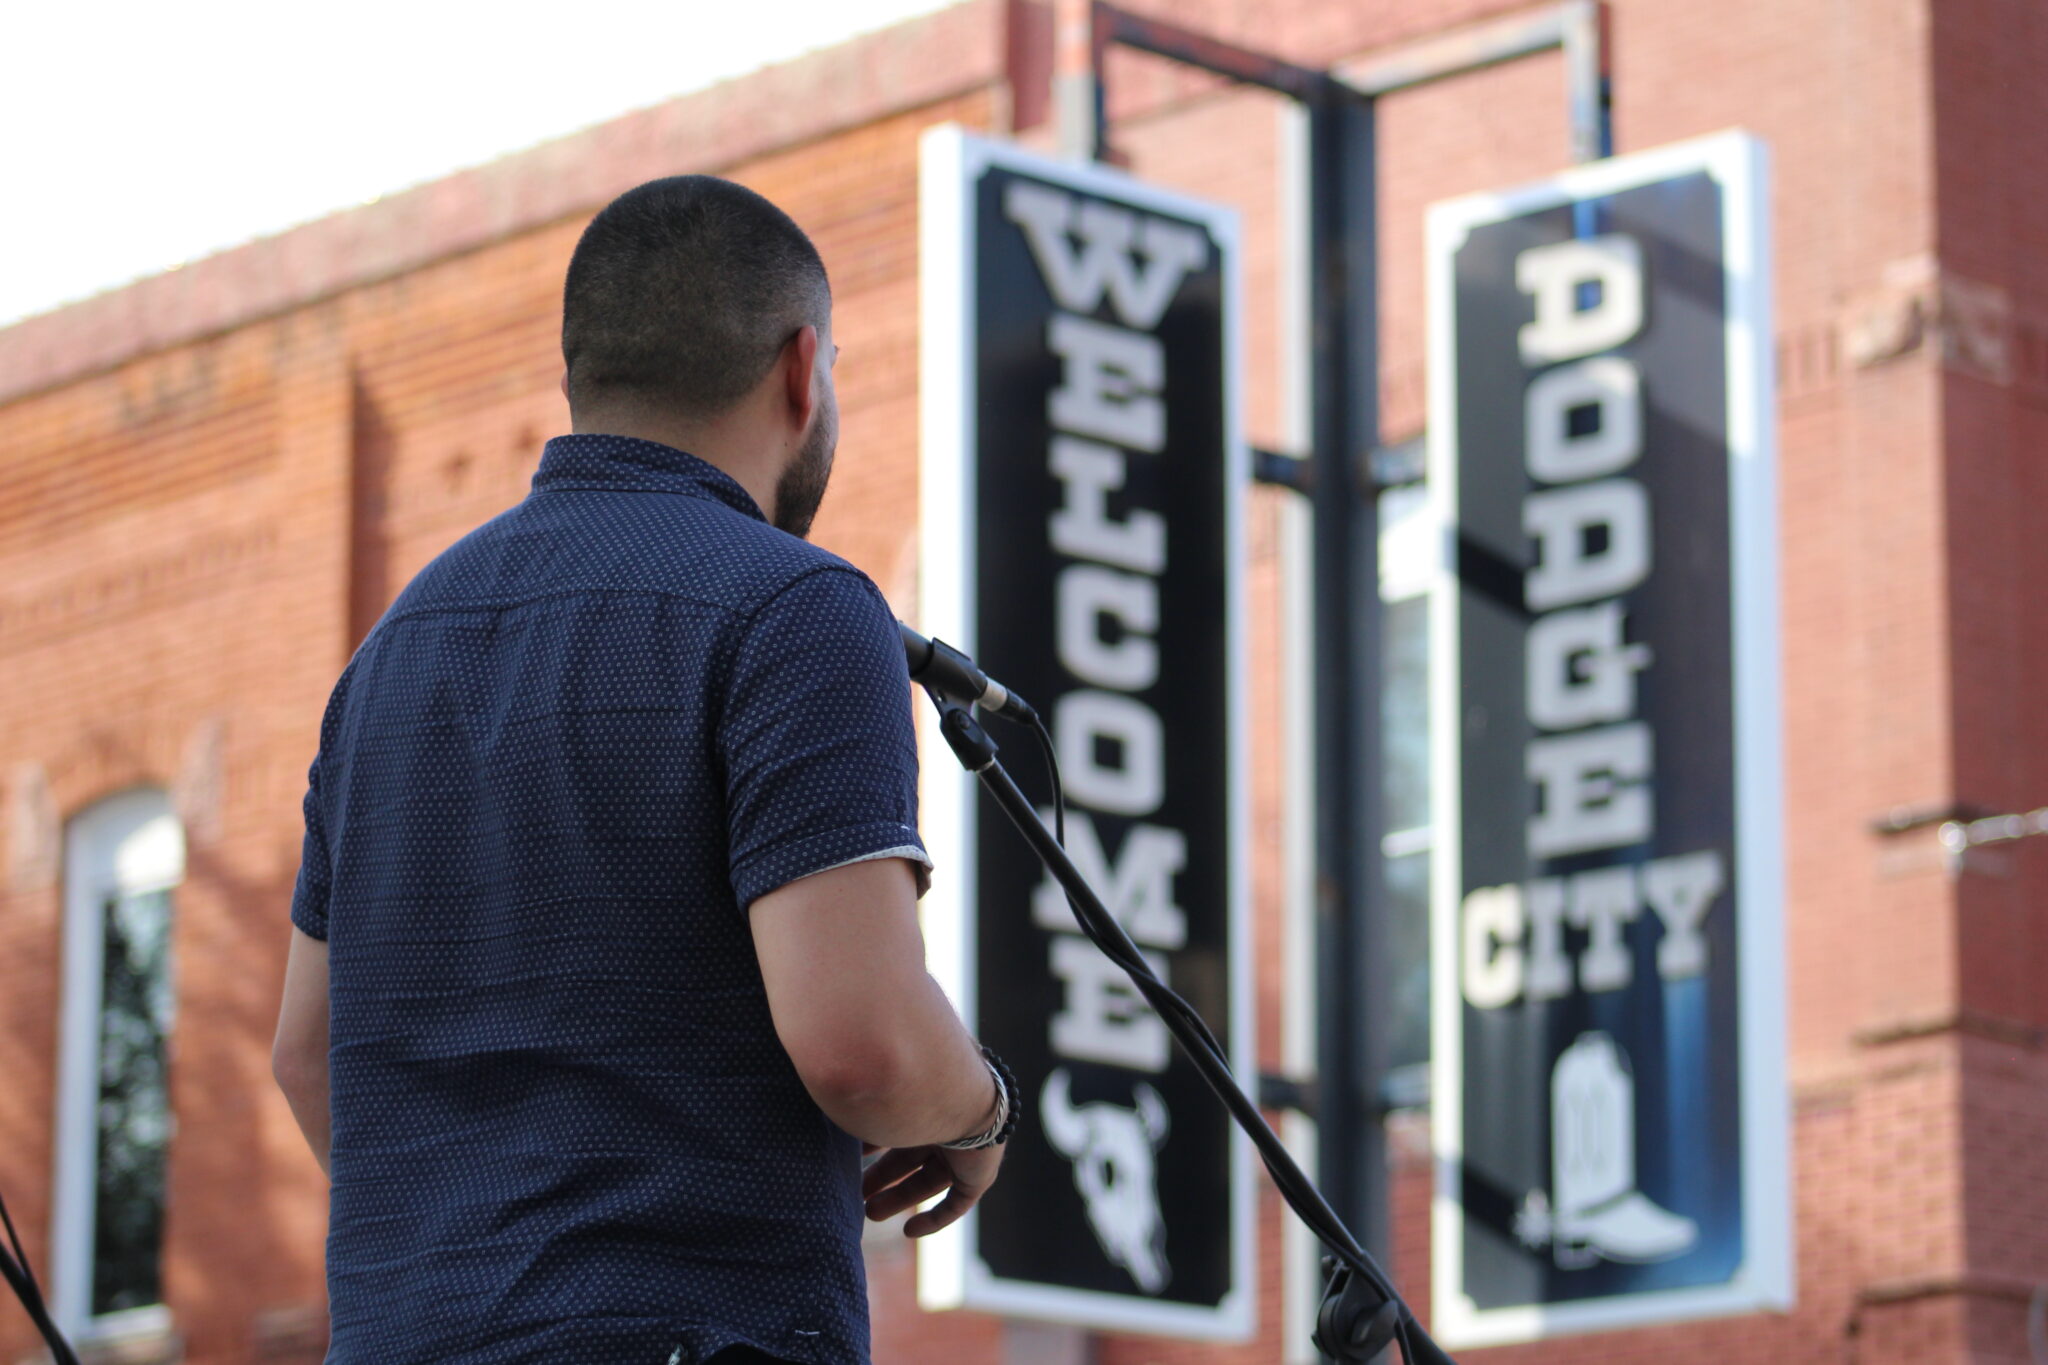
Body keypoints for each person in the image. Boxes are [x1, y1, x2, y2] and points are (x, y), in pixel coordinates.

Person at [269, 175, 1012, 1365]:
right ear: (800, 372)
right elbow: (860, 1043)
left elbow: (308, 1053)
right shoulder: (798, 608)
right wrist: (978, 1106)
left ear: (580, 381)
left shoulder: (390, 656)